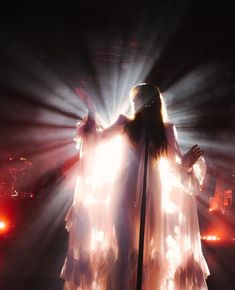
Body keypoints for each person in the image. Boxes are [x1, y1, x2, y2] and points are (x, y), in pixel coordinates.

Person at [61, 83, 209, 290]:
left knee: (147, 253)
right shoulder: (124, 123)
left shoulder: (166, 130)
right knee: (124, 249)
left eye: (138, 100)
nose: (135, 105)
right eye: (134, 101)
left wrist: (187, 163)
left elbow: (176, 168)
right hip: (123, 192)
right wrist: (92, 109)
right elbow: (95, 138)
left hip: (152, 196)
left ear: (151, 103)